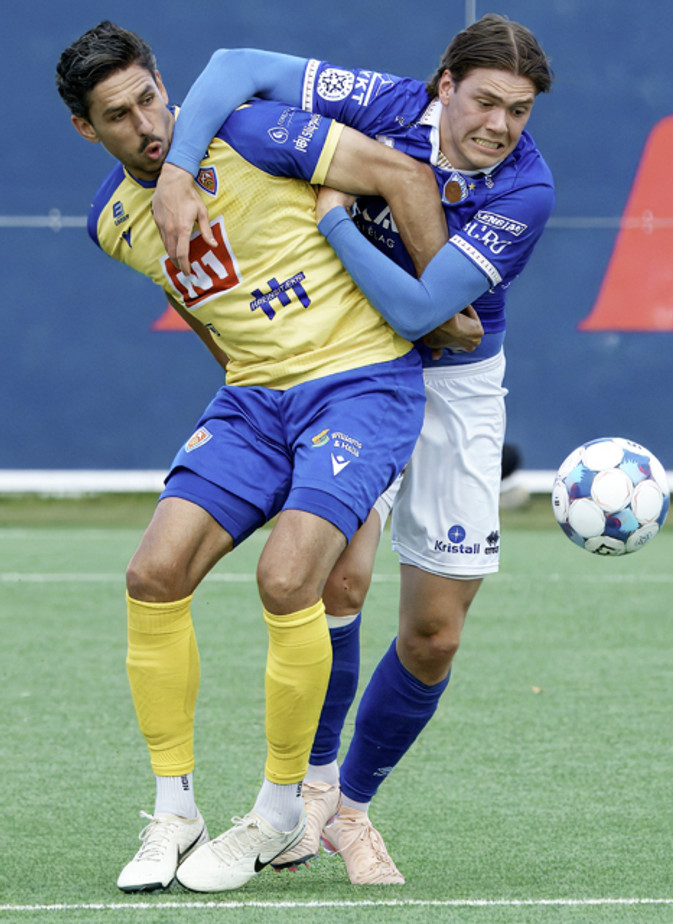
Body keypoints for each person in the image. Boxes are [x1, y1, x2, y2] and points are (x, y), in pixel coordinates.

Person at [55, 21, 484, 895]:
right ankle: (175, 812)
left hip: (360, 383)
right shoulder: (110, 222)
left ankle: (282, 808)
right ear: (85, 130)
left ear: (164, 84)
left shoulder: (251, 131)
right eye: (118, 116)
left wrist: (438, 303)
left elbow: (404, 174)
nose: (147, 125)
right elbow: (201, 303)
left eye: (150, 98)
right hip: (254, 400)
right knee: (152, 574)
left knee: (289, 580)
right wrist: (246, 385)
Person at [150, 13, 555, 885]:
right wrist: (178, 170)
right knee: (332, 581)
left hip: (458, 385)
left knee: (435, 635)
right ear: (445, 84)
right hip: (353, 367)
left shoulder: (526, 190)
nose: (500, 126)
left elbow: (424, 313)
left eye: (519, 111)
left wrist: (335, 219)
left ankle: (349, 807)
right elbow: (234, 67)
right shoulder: (386, 104)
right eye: (485, 101)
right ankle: (305, 794)